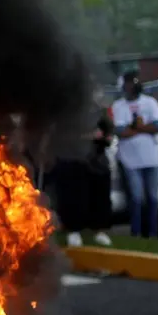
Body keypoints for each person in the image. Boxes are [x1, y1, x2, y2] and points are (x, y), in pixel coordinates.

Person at [54, 91, 114, 247]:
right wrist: (89, 136)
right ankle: (74, 231)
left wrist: (104, 137)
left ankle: (99, 231)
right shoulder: (68, 113)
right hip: (75, 159)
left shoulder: (100, 112)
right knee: (75, 197)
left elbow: (108, 134)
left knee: (100, 197)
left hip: (97, 161)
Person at [112, 70, 158, 238]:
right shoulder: (118, 106)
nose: (129, 86)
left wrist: (134, 128)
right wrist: (142, 128)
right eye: (126, 83)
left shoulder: (150, 103)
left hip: (151, 158)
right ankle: (136, 232)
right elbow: (119, 131)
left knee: (153, 198)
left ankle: (153, 233)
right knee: (135, 198)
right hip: (129, 160)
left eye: (132, 83)